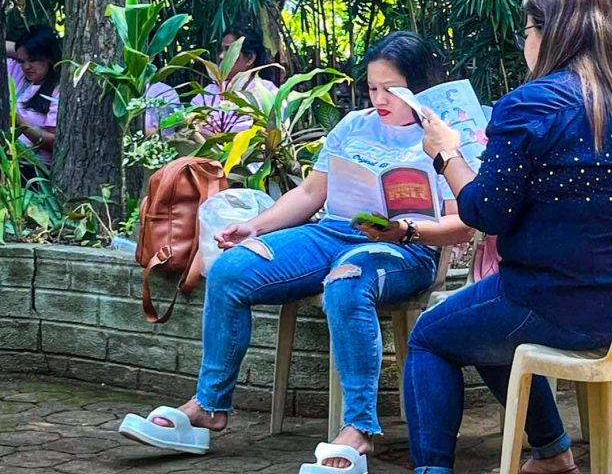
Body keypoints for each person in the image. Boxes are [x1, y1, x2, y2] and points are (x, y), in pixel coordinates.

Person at [118, 31, 474, 474]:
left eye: (390, 89)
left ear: (418, 88)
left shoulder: (445, 136)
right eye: (371, 87)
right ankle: (209, 407)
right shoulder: (352, 126)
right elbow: (309, 193)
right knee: (230, 270)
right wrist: (255, 224)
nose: (378, 98)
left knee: (347, 280)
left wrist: (402, 230)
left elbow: (462, 222)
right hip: (333, 233)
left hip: (406, 248)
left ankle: (358, 430)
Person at [405, 0, 612, 474]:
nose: (525, 41)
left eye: (527, 30)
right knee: (477, 315)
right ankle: (553, 455)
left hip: (546, 303)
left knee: (432, 337)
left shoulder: (529, 104)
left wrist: (445, 154)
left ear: (549, 35)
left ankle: (431, 469)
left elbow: (485, 213)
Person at [190, 26, 278, 136]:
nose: (221, 56)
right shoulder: (208, 93)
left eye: (229, 50)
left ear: (250, 58)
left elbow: (268, 135)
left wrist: (210, 135)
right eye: (221, 50)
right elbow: (190, 124)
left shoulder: (267, 93)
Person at [6, 25, 61, 166]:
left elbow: (54, 142)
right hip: (8, 163)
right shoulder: (17, 72)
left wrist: (17, 121)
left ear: (49, 57)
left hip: (33, 169)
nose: (26, 67)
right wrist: (23, 48)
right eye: (22, 61)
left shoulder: (58, 89)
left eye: (33, 60)